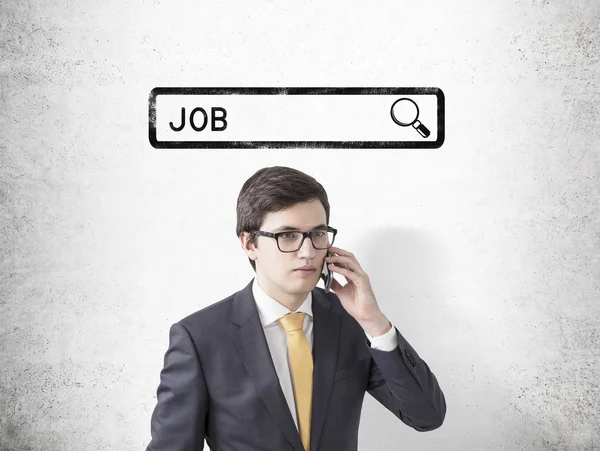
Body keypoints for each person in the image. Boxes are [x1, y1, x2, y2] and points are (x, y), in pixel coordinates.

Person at [145, 166, 446, 451]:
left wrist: (374, 322)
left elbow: (426, 416)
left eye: (317, 234)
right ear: (249, 244)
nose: (307, 252)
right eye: (287, 235)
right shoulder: (199, 338)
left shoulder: (351, 322)